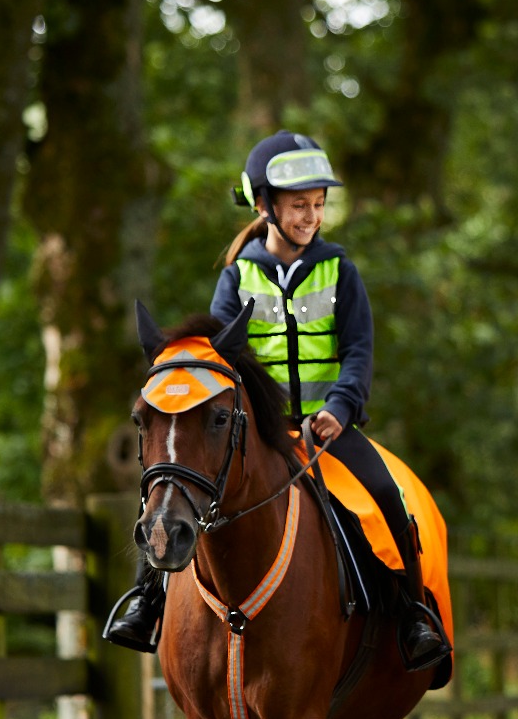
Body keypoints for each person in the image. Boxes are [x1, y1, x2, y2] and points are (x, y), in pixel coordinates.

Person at [104, 131, 450, 673]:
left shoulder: (340, 270)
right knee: (176, 487)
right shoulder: (237, 275)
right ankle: (148, 598)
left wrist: (340, 407)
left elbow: (358, 348)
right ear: (264, 205)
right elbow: (218, 355)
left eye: (317, 205)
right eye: (298, 206)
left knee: (386, 497)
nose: (310, 217)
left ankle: (411, 615)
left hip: (329, 429)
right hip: (257, 432)